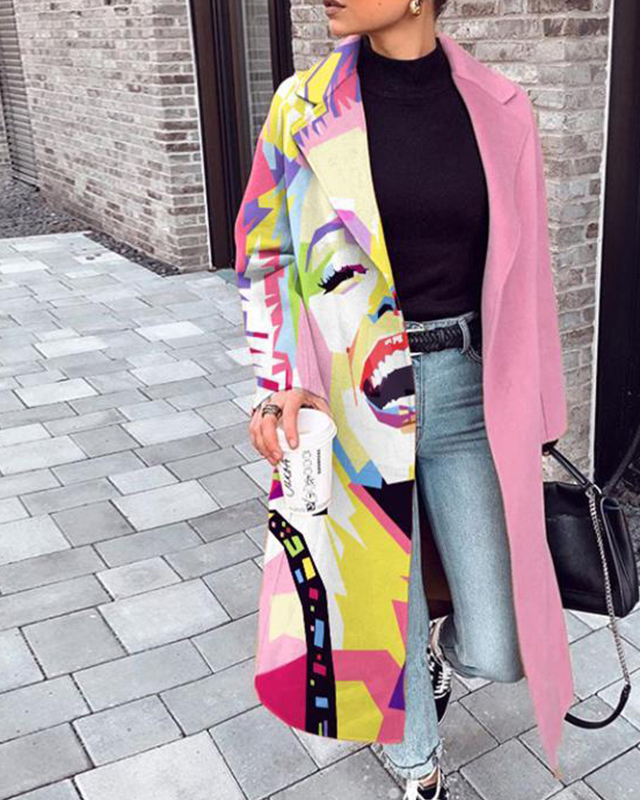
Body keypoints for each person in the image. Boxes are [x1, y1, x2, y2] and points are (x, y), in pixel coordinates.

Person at [235, 1, 572, 798]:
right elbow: (264, 256)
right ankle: (419, 766)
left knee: (501, 641)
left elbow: (530, 270)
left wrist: (540, 411)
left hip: (467, 394)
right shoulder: (300, 108)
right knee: (381, 605)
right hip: (351, 398)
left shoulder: (500, 106)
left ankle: (430, 660)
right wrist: (277, 388)